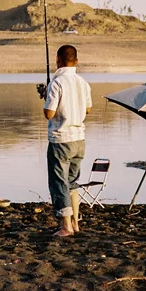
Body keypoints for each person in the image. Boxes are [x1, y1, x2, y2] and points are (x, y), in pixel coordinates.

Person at [41, 45, 92, 238]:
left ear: (57, 60)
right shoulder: (83, 83)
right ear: (76, 61)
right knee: (72, 182)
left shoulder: (57, 83)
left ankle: (65, 227)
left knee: (59, 183)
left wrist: (46, 97)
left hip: (61, 139)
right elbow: (87, 110)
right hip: (79, 139)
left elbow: (49, 114)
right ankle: (75, 223)